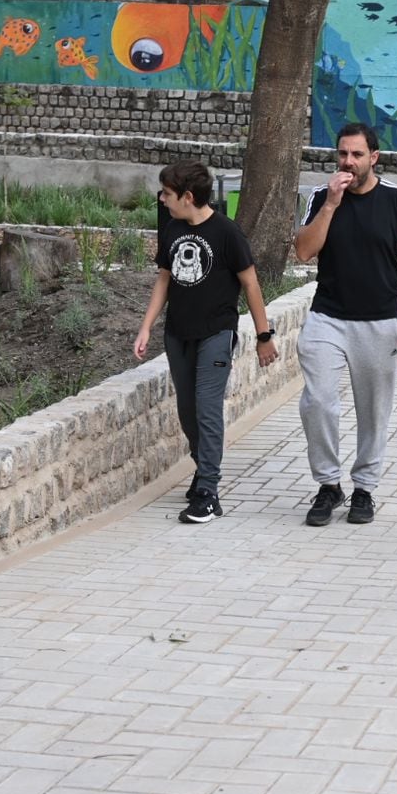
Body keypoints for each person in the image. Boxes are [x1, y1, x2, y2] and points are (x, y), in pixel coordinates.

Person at [294, 123, 397, 527]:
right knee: (317, 401)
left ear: (374, 157)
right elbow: (303, 252)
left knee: (373, 411)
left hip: (380, 321)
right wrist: (332, 205)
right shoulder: (321, 196)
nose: (347, 162)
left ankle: (364, 488)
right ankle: (329, 485)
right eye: (342, 154)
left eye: (356, 154)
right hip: (327, 317)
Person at [134, 160, 279, 524]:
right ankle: (204, 468)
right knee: (187, 411)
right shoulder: (172, 229)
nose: (162, 200)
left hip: (216, 332)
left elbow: (251, 285)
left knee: (206, 407)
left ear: (187, 196)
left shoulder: (228, 233)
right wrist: (146, 327)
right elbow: (165, 279)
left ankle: (209, 492)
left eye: (167, 194)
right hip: (177, 334)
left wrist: (264, 336)